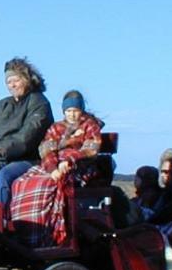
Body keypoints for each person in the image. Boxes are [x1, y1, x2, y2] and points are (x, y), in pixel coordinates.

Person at [8, 90, 103, 247]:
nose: (72, 115)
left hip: (79, 167)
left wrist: (69, 161)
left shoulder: (90, 126)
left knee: (46, 185)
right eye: (68, 111)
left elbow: (90, 150)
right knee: (21, 182)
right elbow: (47, 149)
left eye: (75, 111)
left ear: (81, 110)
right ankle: (24, 230)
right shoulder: (56, 128)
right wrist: (53, 168)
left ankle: (46, 235)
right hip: (53, 165)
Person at [0, 57, 53, 208]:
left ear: (27, 79)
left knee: (5, 174)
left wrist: (2, 150)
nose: (12, 85)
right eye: (8, 82)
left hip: (28, 159)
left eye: (16, 80)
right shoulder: (2, 105)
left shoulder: (39, 103)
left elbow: (28, 136)